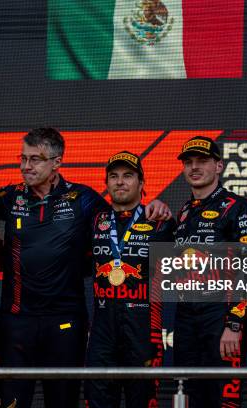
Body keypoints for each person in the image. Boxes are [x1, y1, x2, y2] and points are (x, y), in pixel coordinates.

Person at [0, 128, 171, 408]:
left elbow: (120, 218)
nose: (26, 166)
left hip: (66, 322)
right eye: (23, 158)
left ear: (56, 162)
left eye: (36, 159)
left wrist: (156, 205)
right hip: (16, 322)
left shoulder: (83, 198)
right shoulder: (9, 196)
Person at [172, 136, 247, 408]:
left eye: (202, 161)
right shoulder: (185, 211)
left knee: (223, 399)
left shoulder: (238, 208)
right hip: (187, 315)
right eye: (188, 162)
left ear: (219, 166)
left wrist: (234, 324)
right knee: (190, 395)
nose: (194, 167)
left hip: (220, 315)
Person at [85, 151, 175, 408]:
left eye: (128, 176)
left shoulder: (161, 221)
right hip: (102, 331)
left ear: (142, 184)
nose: (120, 182)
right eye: (113, 176)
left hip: (144, 330)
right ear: (107, 183)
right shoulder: (95, 221)